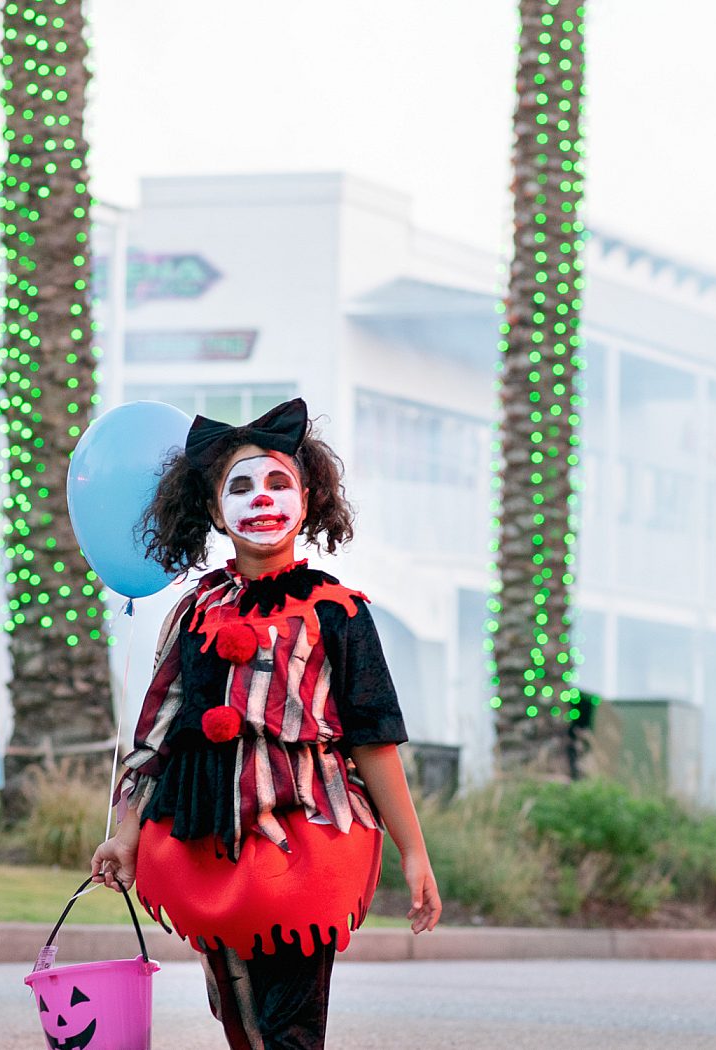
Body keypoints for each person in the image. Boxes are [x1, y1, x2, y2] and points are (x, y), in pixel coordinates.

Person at [90, 397, 442, 1049]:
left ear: (307, 500)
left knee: (292, 1028)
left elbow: (374, 740)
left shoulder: (338, 611)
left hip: (308, 841)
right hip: (206, 840)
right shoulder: (195, 610)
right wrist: (126, 834)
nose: (261, 498)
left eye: (279, 482)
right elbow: (156, 734)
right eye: (240, 486)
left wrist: (413, 850)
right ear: (214, 509)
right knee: (242, 1018)